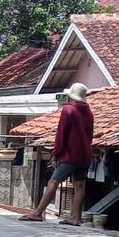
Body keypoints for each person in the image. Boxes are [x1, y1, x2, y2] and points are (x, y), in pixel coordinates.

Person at [20, 83, 94, 225]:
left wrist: (56, 154)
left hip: (70, 155)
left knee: (53, 182)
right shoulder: (89, 113)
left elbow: (61, 134)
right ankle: (76, 218)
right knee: (79, 186)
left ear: (71, 96)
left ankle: (37, 213)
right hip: (85, 155)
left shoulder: (68, 110)